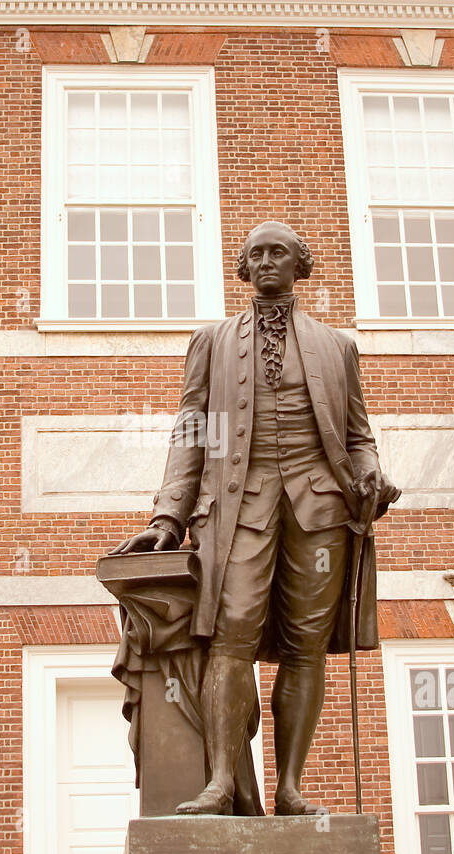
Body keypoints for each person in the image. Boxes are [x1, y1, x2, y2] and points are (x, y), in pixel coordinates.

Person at [111, 221, 398, 815]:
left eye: (280, 253)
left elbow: (357, 435)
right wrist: (169, 514)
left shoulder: (337, 345)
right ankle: (219, 782)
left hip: (319, 510)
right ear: (243, 268)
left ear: (301, 264)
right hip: (238, 507)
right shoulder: (212, 341)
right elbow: (192, 429)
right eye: (256, 254)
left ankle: (291, 789)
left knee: (306, 647)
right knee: (230, 636)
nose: (267, 262)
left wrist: (371, 472)